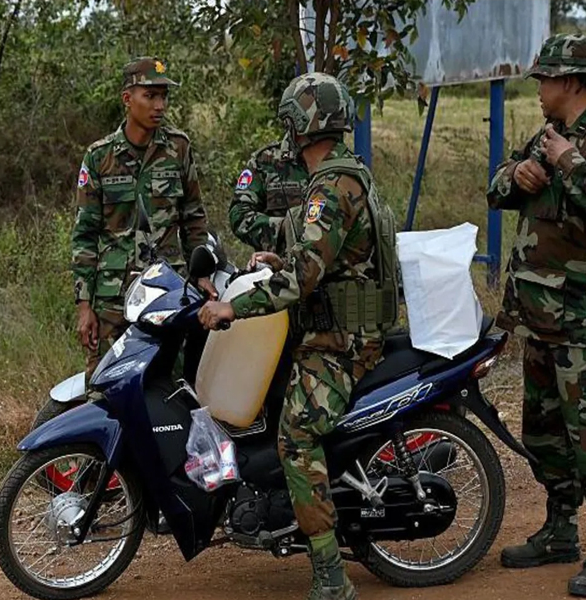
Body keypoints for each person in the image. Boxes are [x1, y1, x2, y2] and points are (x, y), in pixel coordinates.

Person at [199, 72, 399, 600]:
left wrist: (230, 308)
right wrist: (280, 256)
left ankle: (331, 575)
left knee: (296, 437)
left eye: (290, 121)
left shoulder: (330, 186)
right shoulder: (345, 174)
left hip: (342, 339)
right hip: (342, 326)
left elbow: (305, 277)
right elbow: (323, 253)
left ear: (301, 126)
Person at [487, 33, 586, 597]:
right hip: (539, 318)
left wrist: (565, 161)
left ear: (571, 81)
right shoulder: (547, 135)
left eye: (546, 80)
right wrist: (516, 176)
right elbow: (498, 182)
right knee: (547, 435)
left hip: (580, 322)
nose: (540, 90)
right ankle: (559, 530)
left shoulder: (571, 144)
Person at [71, 57, 214, 379]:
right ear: (127, 99)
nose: (159, 105)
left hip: (167, 293)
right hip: (113, 299)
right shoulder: (99, 156)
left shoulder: (178, 148)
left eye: (163, 96)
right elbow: (85, 234)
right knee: (107, 386)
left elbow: (193, 217)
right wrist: (84, 305)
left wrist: (201, 272)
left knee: (172, 385)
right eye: (150, 96)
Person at [229, 132, 309, 254]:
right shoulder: (266, 160)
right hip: (277, 266)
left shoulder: (339, 160)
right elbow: (239, 214)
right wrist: (283, 226)